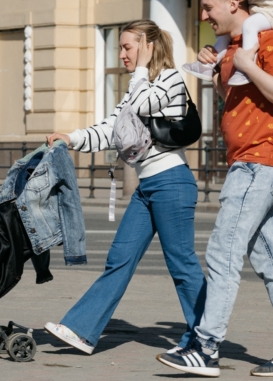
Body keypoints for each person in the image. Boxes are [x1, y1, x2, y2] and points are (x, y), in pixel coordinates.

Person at [157, 0, 273, 377]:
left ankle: (206, 347)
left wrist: (247, 63)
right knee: (271, 261)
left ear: (234, 3)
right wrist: (217, 73)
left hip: (261, 161)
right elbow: (239, 101)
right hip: (250, 160)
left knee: (223, 252)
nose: (205, 15)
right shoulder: (233, 49)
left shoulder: (270, 41)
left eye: (209, 7)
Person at [43, 20, 206, 355]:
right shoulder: (138, 85)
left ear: (148, 46)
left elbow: (143, 104)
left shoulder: (170, 80)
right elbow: (111, 129)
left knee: (181, 263)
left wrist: (143, 69)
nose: (122, 55)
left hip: (172, 182)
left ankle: (206, 337)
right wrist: (71, 137)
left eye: (128, 47)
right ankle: (82, 330)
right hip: (147, 187)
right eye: (120, 47)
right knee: (119, 258)